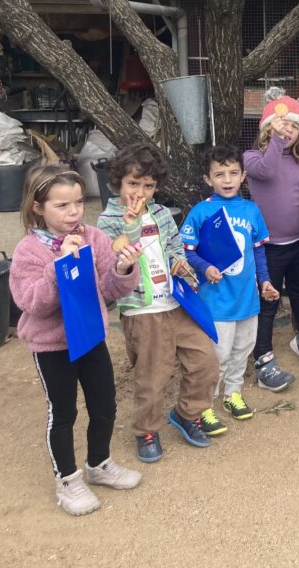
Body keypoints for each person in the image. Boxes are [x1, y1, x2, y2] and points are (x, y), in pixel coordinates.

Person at [9, 165, 143, 516]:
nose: (73, 212)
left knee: (105, 403)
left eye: (79, 202)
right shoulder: (28, 251)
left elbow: (109, 289)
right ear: (38, 207)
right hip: (51, 346)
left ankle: (99, 463)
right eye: (62, 205)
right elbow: (31, 302)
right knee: (63, 411)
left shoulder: (93, 238)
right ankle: (67, 479)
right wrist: (59, 266)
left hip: (91, 336)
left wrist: (124, 269)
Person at [97, 142, 218, 462]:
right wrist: (132, 223)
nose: (140, 193)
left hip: (176, 304)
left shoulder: (163, 214)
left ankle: (187, 413)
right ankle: (146, 429)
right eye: (133, 184)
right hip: (142, 310)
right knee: (152, 376)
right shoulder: (108, 221)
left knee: (205, 360)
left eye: (148, 186)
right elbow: (118, 257)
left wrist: (180, 264)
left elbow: (175, 248)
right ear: (117, 182)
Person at [180, 146, 284, 435]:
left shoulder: (251, 210)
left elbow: (258, 251)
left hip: (247, 299)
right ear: (207, 178)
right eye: (219, 174)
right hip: (216, 302)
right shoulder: (201, 212)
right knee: (218, 355)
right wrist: (205, 268)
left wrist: (265, 281)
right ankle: (205, 405)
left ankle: (233, 394)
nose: (227, 180)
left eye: (233, 173)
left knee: (242, 350)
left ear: (243, 176)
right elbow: (186, 250)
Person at [244, 88, 299, 371]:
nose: (287, 130)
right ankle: (262, 353)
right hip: (268, 246)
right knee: (269, 299)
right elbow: (267, 171)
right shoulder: (252, 157)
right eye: (282, 124)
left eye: (293, 126)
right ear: (268, 127)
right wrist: (277, 139)